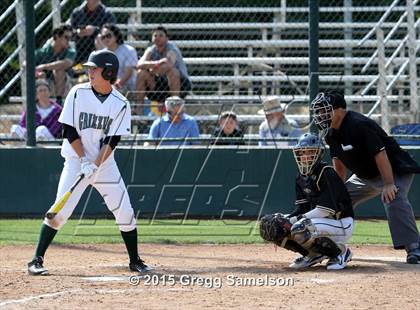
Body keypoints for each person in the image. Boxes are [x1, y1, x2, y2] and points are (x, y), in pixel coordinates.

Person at [27, 50, 151, 275]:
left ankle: (135, 260)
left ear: (108, 72)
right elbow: (68, 129)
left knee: (125, 211)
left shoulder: (121, 104)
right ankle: (36, 260)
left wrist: (96, 163)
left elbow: (112, 140)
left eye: (94, 68)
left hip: (105, 164)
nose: (90, 72)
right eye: (90, 68)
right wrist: (84, 160)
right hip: (76, 161)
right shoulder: (78, 93)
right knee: (60, 211)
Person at [311, 90, 420, 264]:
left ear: (339, 110)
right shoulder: (331, 134)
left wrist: (389, 183)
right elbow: (339, 167)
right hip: (364, 177)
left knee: (393, 197)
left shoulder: (358, 124)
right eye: (320, 111)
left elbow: (380, 154)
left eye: (325, 110)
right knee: (335, 201)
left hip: (394, 170)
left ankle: (414, 247)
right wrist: (336, 193)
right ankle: (328, 245)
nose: (321, 115)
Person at [260, 132, 354, 270]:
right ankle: (313, 254)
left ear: (319, 153)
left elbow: (324, 210)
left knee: (300, 227)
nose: (305, 156)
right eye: (303, 152)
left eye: (310, 152)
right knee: (274, 226)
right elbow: (302, 209)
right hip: (319, 224)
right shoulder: (300, 176)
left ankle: (340, 253)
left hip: (341, 223)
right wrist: (285, 219)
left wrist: (293, 220)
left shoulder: (326, 172)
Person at [136, 26, 191, 115]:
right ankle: (139, 110)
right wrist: (158, 62)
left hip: (180, 85)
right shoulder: (150, 50)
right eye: (155, 35)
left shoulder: (172, 49)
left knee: (173, 72)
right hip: (158, 86)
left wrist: (150, 68)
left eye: (161, 35)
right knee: (141, 73)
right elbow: (139, 65)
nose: (157, 37)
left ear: (167, 38)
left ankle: (174, 107)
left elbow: (168, 66)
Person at [35, 24, 76, 103]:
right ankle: (40, 103)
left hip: (65, 84)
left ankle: (59, 101)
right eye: (66, 37)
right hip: (47, 81)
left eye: (71, 38)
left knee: (59, 70)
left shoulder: (70, 50)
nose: (69, 40)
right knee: (41, 74)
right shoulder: (46, 50)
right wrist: (36, 71)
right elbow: (26, 62)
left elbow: (67, 63)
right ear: (57, 36)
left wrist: (44, 66)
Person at [95, 23, 138, 93]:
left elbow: (129, 72)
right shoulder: (101, 53)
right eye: (103, 37)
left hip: (127, 87)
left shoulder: (129, 50)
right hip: (108, 85)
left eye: (108, 36)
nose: (105, 39)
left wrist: (117, 84)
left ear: (116, 35)